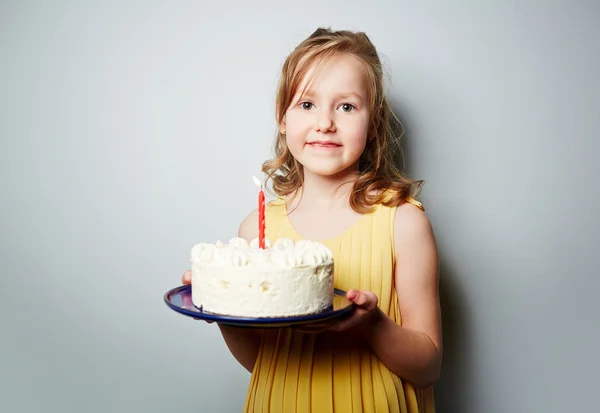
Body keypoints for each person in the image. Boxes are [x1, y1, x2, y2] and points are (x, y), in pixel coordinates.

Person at [182, 27, 441, 413]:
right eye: (306, 104)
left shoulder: (402, 223)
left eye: (347, 107)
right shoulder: (255, 230)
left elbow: (428, 366)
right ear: (282, 118)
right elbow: (263, 362)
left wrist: (372, 325)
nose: (325, 123)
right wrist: (222, 312)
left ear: (373, 125)